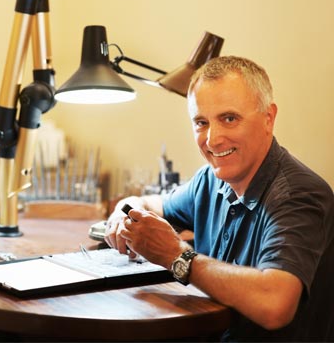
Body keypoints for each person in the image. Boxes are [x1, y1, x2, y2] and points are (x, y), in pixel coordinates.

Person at [105, 56, 334, 341]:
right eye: (201, 122)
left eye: (229, 119)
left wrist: (177, 255)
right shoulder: (209, 180)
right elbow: (152, 204)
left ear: (268, 118)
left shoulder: (299, 195)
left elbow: (276, 304)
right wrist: (126, 210)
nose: (213, 140)